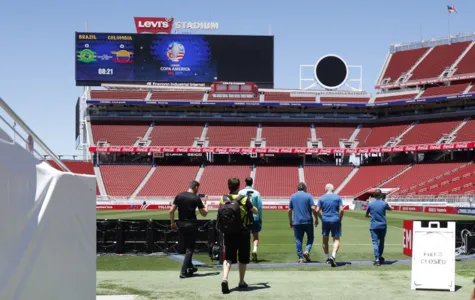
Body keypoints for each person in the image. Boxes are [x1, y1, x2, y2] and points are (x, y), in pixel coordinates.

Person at [219, 177, 258, 294]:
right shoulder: (244, 199)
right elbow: (255, 211)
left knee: (228, 258)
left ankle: (225, 278)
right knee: (243, 258)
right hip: (242, 232)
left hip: (228, 232)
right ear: (238, 186)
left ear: (228, 186)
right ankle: (241, 281)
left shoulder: (223, 198)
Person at [169, 180, 208, 278]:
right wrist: (206, 205)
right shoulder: (196, 198)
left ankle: (190, 266)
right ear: (195, 187)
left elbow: (171, 211)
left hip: (181, 224)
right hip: (191, 224)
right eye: (198, 188)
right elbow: (204, 214)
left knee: (187, 247)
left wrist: (172, 223)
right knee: (190, 248)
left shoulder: (179, 195)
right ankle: (183, 271)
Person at [288, 182, 319, 263]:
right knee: (310, 238)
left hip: (297, 222)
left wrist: (290, 221)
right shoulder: (308, 196)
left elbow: (289, 210)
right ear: (305, 188)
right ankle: (307, 251)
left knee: (298, 240)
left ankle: (301, 258)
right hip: (308, 221)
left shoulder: (293, 196)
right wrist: (316, 218)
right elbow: (313, 208)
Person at [316, 183, 344, 267]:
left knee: (325, 239)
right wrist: (340, 219)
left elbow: (317, 210)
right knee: (336, 239)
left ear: (325, 189)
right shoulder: (337, 197)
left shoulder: (321, 198)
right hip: (335, 219)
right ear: (333, 189)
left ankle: (327, 258)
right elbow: (342, 210)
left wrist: (321, 218)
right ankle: (333, 255)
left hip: (325, 220)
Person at [239, 177, 263, 262]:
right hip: (254, 217)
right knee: (255, 236)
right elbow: (259, 207)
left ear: (245, 182)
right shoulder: (256, 193)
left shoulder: (241, 192)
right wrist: (259, 217)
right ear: (252, 183)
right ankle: (255, 250)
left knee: (245, 237)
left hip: (244, 218)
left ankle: (246, 254)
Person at [365, 189, 392, 266]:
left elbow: (366, 215)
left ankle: (377, 259)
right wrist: (386, 202)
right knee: (382, 241)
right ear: (380, 195)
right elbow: (391, 209)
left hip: (374, 226)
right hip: (383, 225)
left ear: (374, 195)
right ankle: (380, 256)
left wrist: (372, 215)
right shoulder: (384, 203)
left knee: (375, 242)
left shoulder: (370, 204)